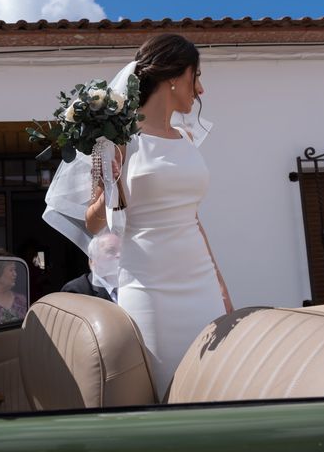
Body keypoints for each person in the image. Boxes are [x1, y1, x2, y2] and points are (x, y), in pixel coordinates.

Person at [82, 34, 234, 401]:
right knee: (169, 393)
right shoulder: (116, 140)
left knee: (214, 389)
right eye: (196, 76)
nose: (201, 89)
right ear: (174, 77)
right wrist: (113, 182)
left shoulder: (186, 137)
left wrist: (221, 285)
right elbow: (92, 222)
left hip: (202, 286)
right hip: (150, 290)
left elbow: (193, 220)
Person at [61, 232, 121, 302]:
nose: (119, 255)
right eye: (111, 250)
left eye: (123, 251)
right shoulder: (76, 291)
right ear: (93, 259)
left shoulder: (130, 285)